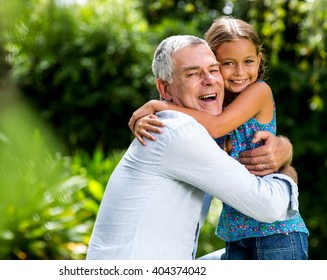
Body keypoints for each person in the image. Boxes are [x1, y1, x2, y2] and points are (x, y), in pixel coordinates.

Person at [86, 35, 300, 260]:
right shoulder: (178, 131)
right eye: (193, 73)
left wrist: (283, 148)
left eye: (214, 69)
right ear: (165, 89)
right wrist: (288, 171)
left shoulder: (191, 128)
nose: (209, 80)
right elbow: (270, 207)